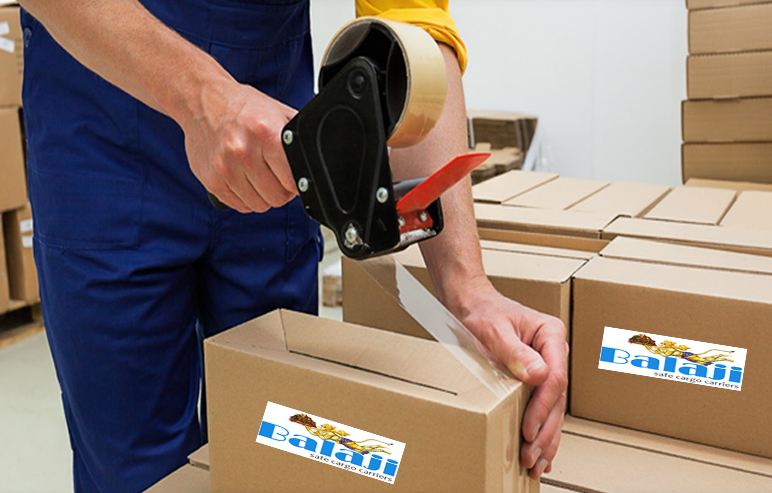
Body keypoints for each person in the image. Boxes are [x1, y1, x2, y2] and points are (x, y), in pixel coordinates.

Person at [17, 0, 568, 491]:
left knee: (279, 439)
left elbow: (412, 37)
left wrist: (467, 288)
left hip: (272, 153)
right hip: (103, 137)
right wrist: (201, 98)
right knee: (136, 467)